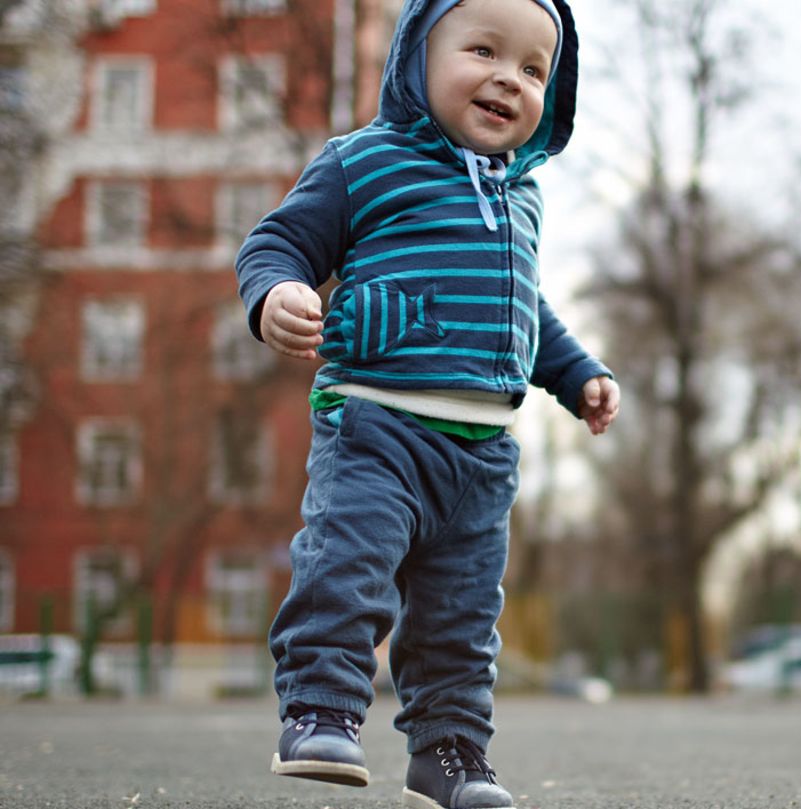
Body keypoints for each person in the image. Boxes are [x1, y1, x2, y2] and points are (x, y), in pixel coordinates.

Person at [234, 0, 616, 806]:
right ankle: (321, 708)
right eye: (483, 50)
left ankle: (448, 753)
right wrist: (276, 293)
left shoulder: (524, 197)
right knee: (347, 568)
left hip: (481, 455)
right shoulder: (361, 162)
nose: (508, 79)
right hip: (376, 421)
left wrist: (578, 372)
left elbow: (524, 308)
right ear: (416, 55)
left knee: (461, 620)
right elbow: (278, 241)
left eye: (533, 68)